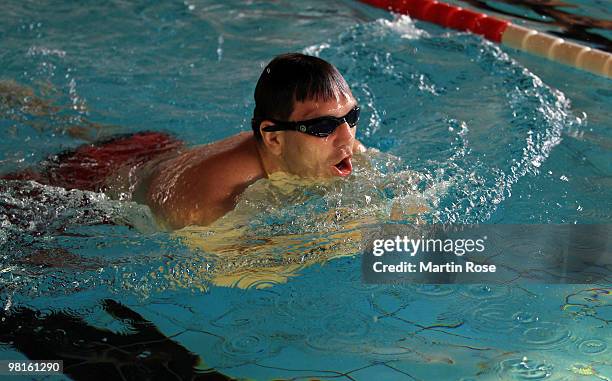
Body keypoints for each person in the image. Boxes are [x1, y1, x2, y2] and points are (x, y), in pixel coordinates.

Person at [2, 53, 364, 229]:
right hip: (90, 187)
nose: (347, 137)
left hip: (157, 148)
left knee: (79, 125)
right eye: (322, 127)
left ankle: (24, 100)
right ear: (273, 138)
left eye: (351, 117)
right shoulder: (209, 201)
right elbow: (234, 274)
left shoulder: (339, 145)